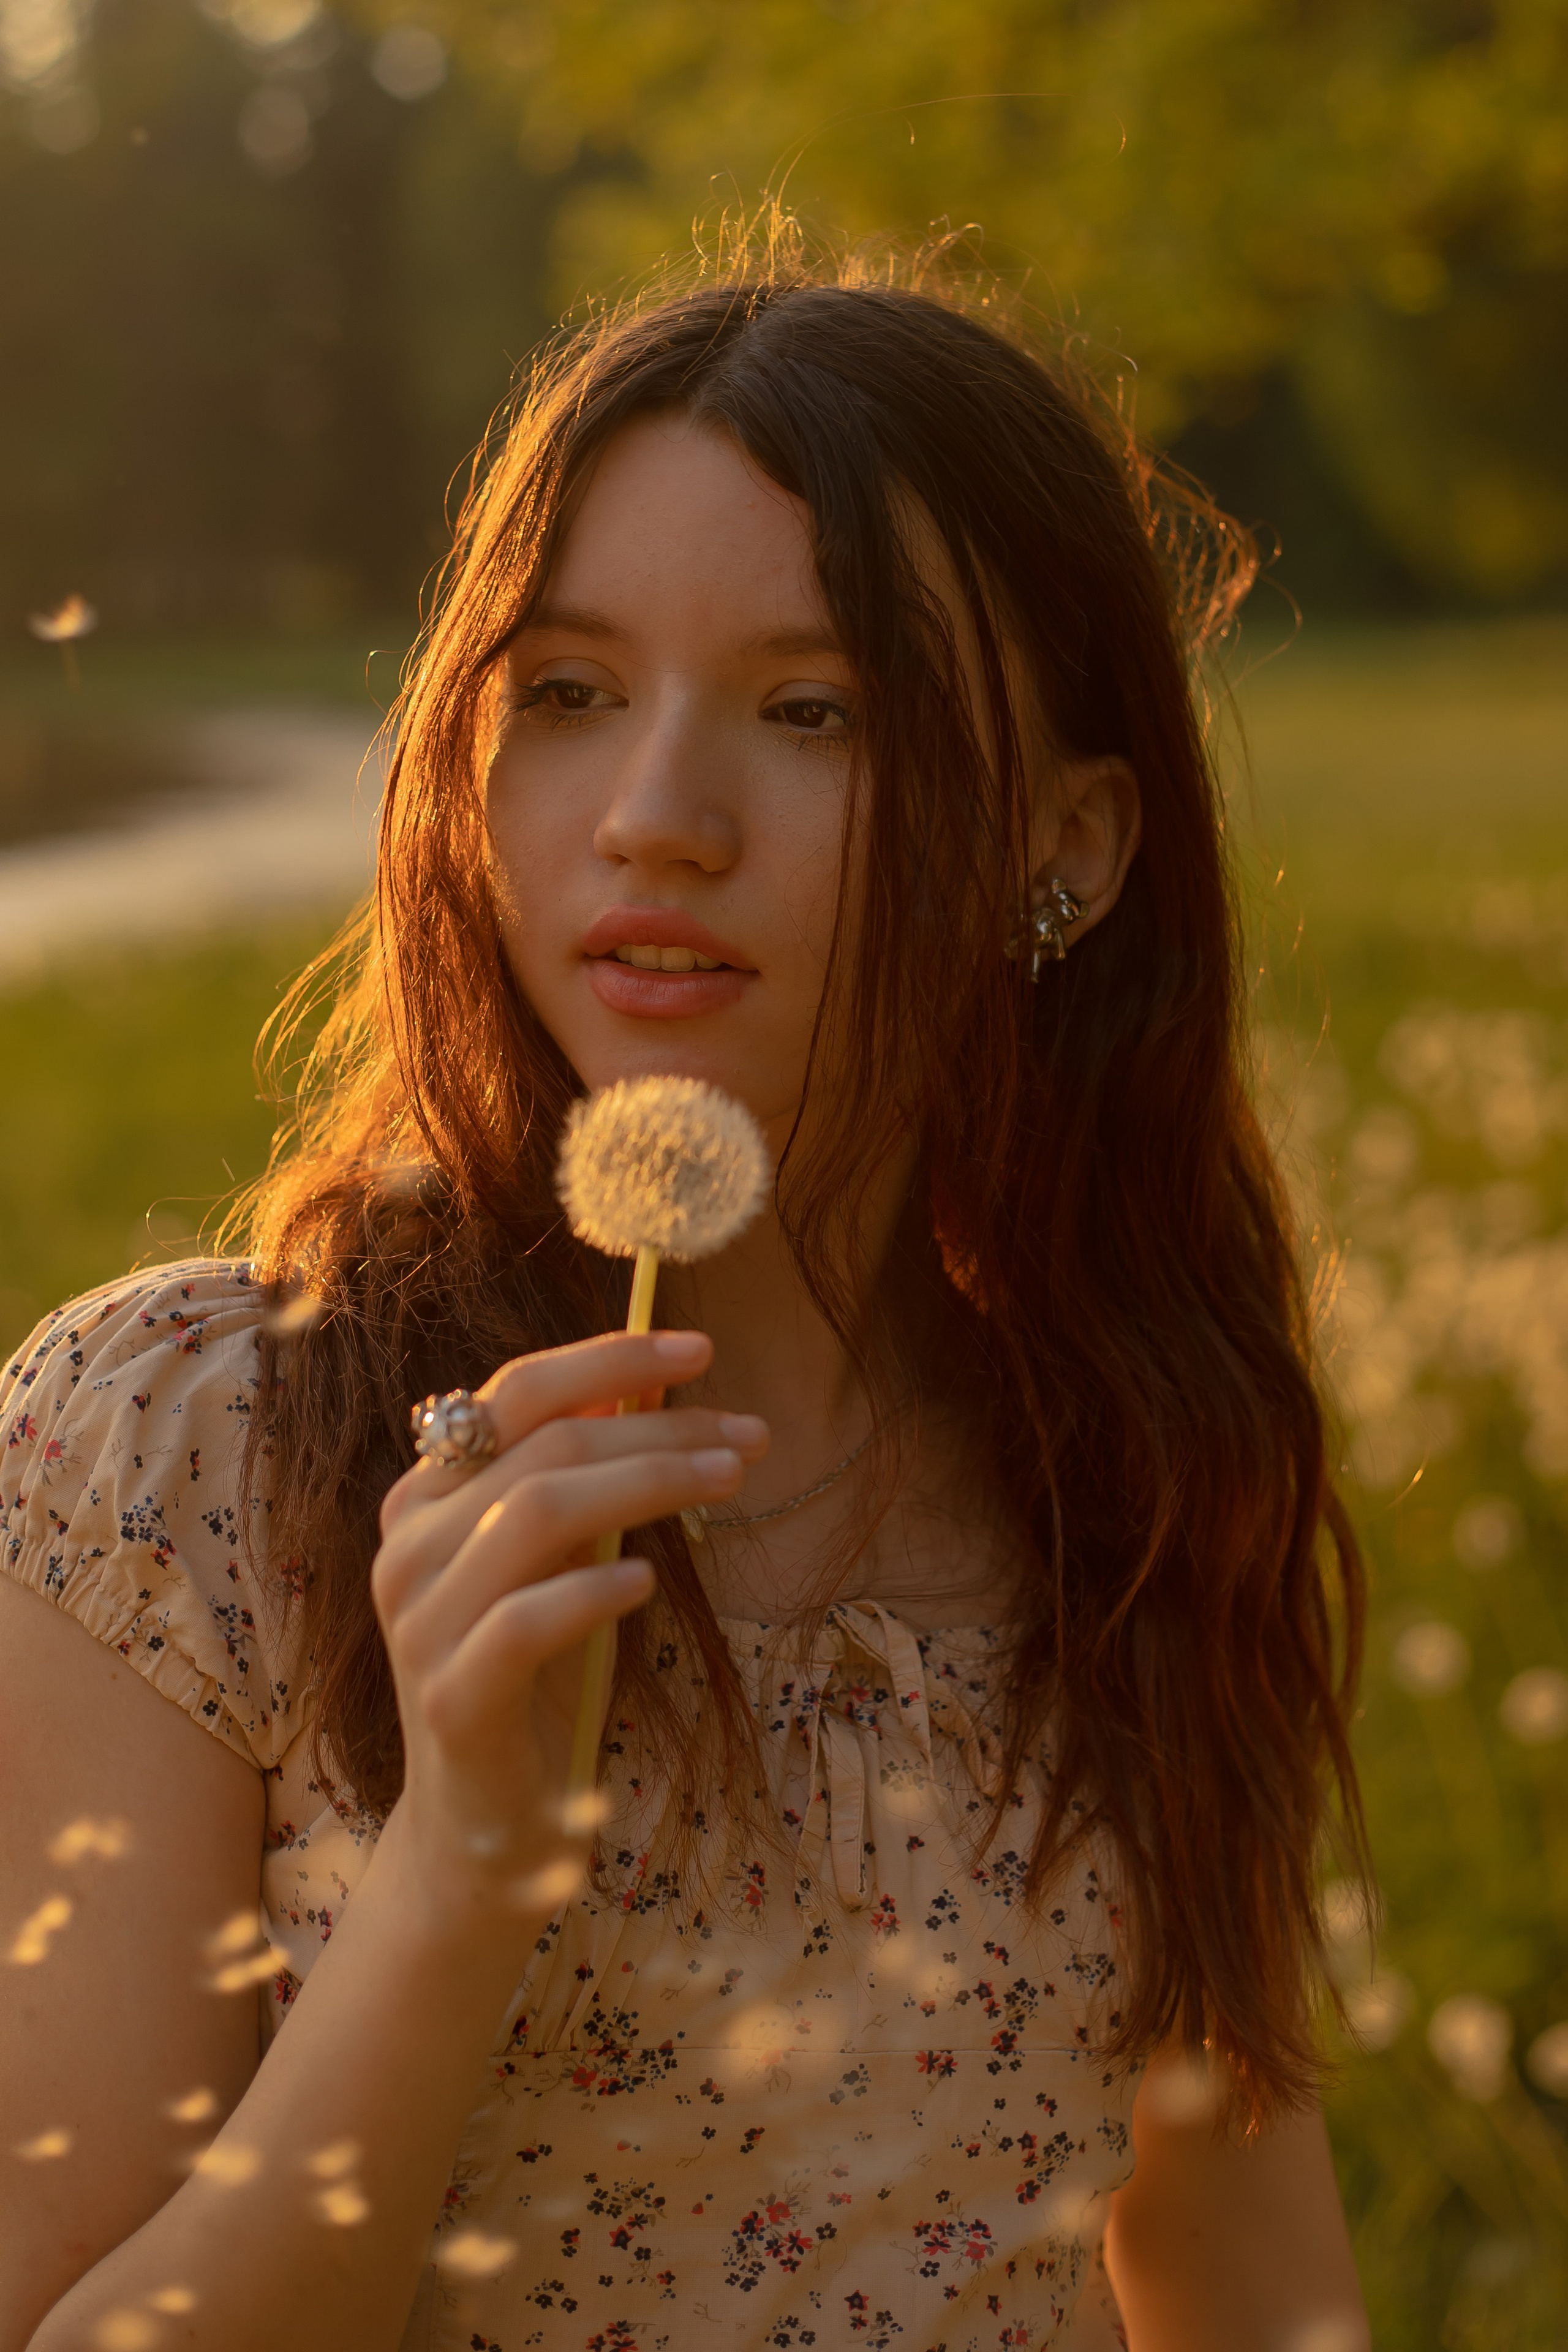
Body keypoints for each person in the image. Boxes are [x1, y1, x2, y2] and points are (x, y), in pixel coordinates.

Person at [1, 228, 1372, 2352]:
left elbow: (1257, 2305)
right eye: (565, 696)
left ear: (1071, 847)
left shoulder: (1136, 1475)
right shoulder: (186, 1463)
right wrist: (461, 1866)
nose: (654, 817)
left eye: (812, 711)